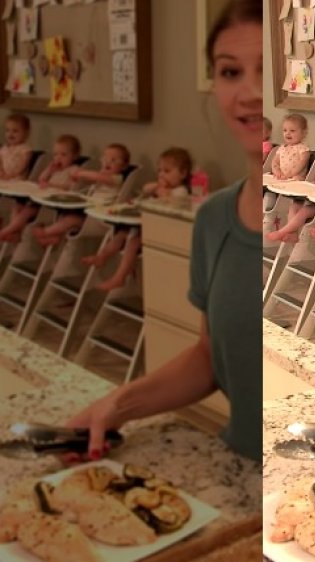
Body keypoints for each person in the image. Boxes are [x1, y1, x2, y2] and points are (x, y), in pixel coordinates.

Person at [66, 0, 263, 463]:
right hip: (240, 471)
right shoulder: (216, 218)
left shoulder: (314, 228)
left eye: (268, 71)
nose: (251, 92)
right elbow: (210, 356)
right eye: (231, 72)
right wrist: (115, 407)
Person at [81, 148, 193, 291]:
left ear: (183, 173)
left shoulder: (180, 191)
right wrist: (157, 186)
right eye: (159, 171)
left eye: (167, 171)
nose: (161, 175)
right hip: (145, 224)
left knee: (133, 241)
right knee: (120, 234)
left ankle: (119, 277)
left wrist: (161, 190)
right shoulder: (160, 186)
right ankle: (102, 256)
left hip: (162, 230)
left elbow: (171, 200)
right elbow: (146, 188)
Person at [32, 143, 130, 247]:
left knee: (72, 219)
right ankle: (56, 237)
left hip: (101, 220)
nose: (107, 162)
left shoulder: (117, 178)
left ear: (124, 166)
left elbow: (98, 177)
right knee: (67, 215)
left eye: (113, 160)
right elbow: (95, 179)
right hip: (91, 213)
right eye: (105, 158)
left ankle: (46, 232)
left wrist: (80, 173)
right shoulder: (101, 179)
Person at [0, 134, 81, 243]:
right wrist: (49, 170)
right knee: (17, 206)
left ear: (75, 156)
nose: (58, 158)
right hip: (42, 200)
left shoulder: (73, 170)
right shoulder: (55, 170)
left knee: (27, 211)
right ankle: (16, 232)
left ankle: (5, 231)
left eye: (63, 155)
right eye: (55, 154)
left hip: (55, 205)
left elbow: (70, 188)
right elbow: (41, 179)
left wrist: (52, 186)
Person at [0, 113, 33, 180]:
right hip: (3, 176)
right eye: (7, 130)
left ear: (25, 133)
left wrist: (10, 175)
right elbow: (0, 161)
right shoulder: (4, 148)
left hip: (17, 177)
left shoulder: (25, 149)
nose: (10, 134)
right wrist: (1, 171)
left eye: (15, 131)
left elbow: (22, 166)